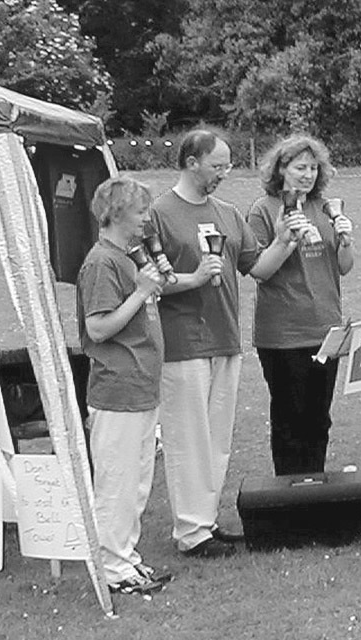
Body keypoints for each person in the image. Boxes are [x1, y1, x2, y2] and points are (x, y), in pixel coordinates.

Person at [149, 129, 303, 557]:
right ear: (191, 162)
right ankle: (190, 531)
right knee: (187, 438)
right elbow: (149, 281)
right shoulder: (158, 213)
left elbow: (260, 268)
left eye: (228, 165)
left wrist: (284, 240)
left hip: (225, 337)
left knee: (217, 439)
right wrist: (193, 279)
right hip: (183, 343)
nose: (224, 173)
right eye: (217, 166)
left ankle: (205, 521)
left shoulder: (228, 213)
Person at [76, 176, 169, 595]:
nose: (146, 220)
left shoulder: (126, 258)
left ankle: (127, 558)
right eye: (140, 212)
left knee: (137, 481)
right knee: (117, 481)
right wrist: (141, 293)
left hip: (141, 385)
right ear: (116, 214)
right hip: (118, 389)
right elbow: (97, 328)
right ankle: (111, 567)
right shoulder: (102, 263)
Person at [247, 135, 354, 476]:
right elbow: (260, 271)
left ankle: (316, 491)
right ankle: (290, 497)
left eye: (313, 168)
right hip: (283, 333)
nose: (307, 174)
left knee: (319, 419)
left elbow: (344, 266)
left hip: (325, 328)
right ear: (280, 169)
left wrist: (345, 239)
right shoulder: (264, 209)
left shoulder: (324, 207)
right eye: (299, 167)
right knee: (289, 421)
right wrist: (285, 241)